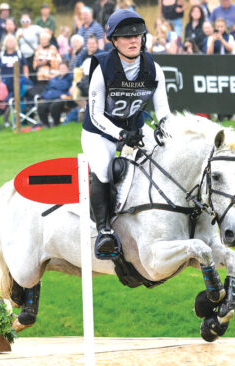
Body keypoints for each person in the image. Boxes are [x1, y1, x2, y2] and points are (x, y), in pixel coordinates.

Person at [81, 10, 171, 259]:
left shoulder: (154, 69)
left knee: (163, 157)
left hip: (135, 129)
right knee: (103, 168)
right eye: (126, 37)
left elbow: (164, 111)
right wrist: (120, 134)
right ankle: (104, 231)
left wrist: (166, 130)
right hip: (100, 132)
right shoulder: (102, 68)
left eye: (137, 36)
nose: (133, 40)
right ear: (114, 41)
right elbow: (96, 115)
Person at [36, 61, 75, 126]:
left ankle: (56, 124)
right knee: (41, 106)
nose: (62, 70)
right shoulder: (54, 79)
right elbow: (46, 89)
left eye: (64, 68)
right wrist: (42, 96)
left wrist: (67, 95)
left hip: (62, 98)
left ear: (68, 69)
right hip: (49, 97)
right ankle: (46, 125)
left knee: (54, 106)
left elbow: (73, 88)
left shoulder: (71, 78)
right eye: (61, 68)